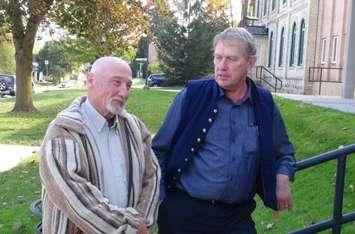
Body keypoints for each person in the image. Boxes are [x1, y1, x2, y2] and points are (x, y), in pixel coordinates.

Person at [152, 27, 295, 234]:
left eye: (231, 59)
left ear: (250, 62)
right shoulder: (192, 95)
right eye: (218, 57)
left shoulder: (263, 103)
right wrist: (161, 199)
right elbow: (158, 150)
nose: (222, 66)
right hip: (186, 215)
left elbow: (284, 152)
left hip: (237, 218)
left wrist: (282, 177)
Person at [39, 56, 160, 234]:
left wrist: (142, 220)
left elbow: (152, 176)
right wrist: (130, 228)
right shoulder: (63, 132)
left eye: (128, 85)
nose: (124, 93)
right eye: (116, 82)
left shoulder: (135, 128)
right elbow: (76, 199)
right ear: (90, 81)